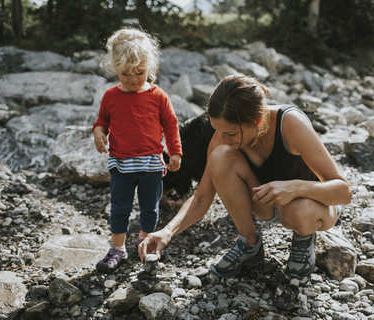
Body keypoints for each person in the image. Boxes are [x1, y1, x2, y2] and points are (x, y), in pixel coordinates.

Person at [138, 74, 351, 278]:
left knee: (296, 211)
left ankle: (304, 239)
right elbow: (202, 197)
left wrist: (294, 188)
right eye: (217, 130)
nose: (222, 138)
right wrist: (166, 232)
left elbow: (343, 192)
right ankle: (249, 243)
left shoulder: (290, 124)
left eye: (231, 133)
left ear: (257, 121)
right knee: (220, 156)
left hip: (313, 205)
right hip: (266, 204)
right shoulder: (222, 138)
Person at [93, 27, 182, 273]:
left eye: (140, 72)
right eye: (125, 73)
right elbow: (102, 120)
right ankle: (117, 248)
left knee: (150, 208)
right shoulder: (111, 96)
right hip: (121, 164)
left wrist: (175, 152)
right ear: (114, 68)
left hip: (151, 165)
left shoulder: (158, 96)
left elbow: (171, 124)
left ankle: (145, 240)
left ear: (150, 67)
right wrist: (98, 132)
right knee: (119, 207)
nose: (133, 79)